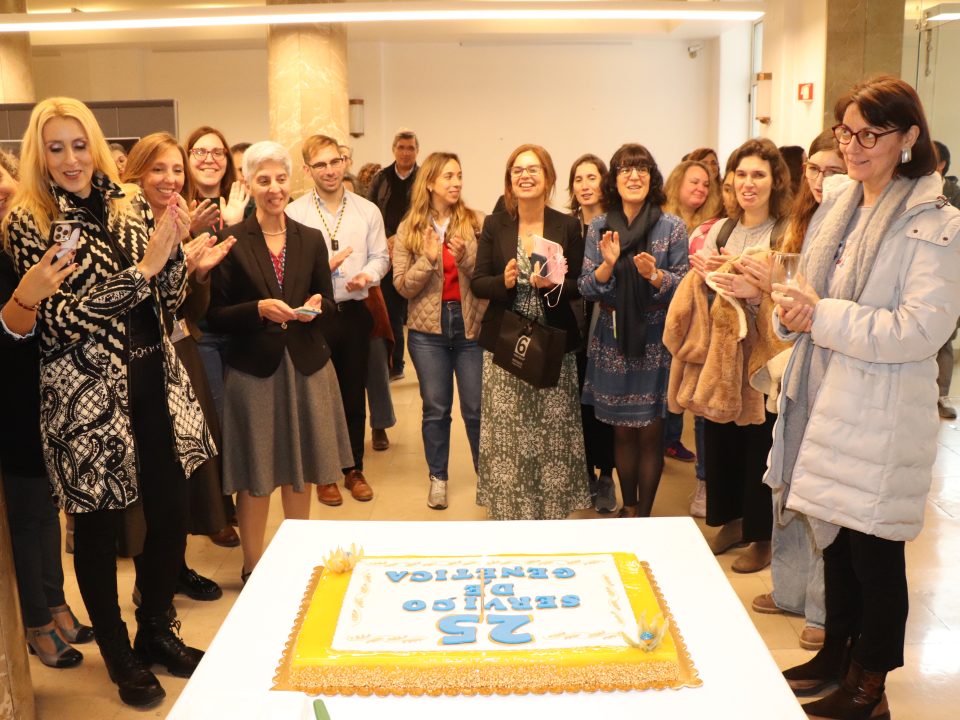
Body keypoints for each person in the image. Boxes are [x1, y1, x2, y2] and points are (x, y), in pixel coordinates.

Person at [4, 96, 213, 708]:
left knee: (170, 516)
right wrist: (143, 271)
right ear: (39, 154)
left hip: (155, 386)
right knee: (97, 530)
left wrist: (174, 257)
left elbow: (164, 302)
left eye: (78, 144)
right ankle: (119, 653)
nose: (70, 159)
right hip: (86, 400)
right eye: (56, 148)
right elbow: (58, 321)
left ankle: (155, 630)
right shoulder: (30, 220)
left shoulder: (129, 202)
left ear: (95, 144)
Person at [770, 76, 960, 719]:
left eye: (870, 135)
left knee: (874, 553)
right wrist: (785, 307)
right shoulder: (839, 206)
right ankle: (835, 655)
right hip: (825, 395)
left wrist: (820, 315)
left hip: (881, 409)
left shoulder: (935, 222)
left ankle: (869, 685)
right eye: (845, 132)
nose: (852, 147)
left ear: (909, 137)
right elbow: (811, 297)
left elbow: (919, 329)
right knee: (837, 544)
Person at [208, 141, 353, 582]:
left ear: (292, 182)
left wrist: (316, 307)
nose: (274, 188)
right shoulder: (231, 241)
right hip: (254, 370)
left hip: (306, 366)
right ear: (248, 184)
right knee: (256, 474)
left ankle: (296, 563)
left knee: (299, 471)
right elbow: (214, 315)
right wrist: (257, 310)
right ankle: (253, 566)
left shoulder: (309, 238)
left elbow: (329, 303)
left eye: (281, 179)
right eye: (264, 180)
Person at [741, 129, 846, 654]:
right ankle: (789, 591)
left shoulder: (853, 223)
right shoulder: (801, 222)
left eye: (833, 170)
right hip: (794, 366)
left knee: (823, 495)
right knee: (786, 482)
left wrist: (792, 302)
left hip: (837, 370)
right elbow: (785, 308)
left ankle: (823, 611)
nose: (822, 180)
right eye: (815, 170)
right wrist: (762, 292)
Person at [122, 132, 237, 603]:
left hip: (181, 354)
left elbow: (191, 310)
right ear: (136, 174)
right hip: (138, 366)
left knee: (183, 470)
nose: (170, 179)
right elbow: (133, 304)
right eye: (158, 169)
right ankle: (150, 582)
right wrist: (176, 265)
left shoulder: (179, 224)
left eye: (175, 171)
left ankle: (176, 567)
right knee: (150, 476)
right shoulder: (124, 227)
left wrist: (199, 272)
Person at [0, 148, 92, 670]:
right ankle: (36, 622)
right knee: (27, 512)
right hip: (11, 400)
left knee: (48, 509)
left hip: (48, 389)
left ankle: (57, 605)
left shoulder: (33, 237)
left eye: (3, 185)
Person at [687, 137, 793, 573]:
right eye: (742, 174)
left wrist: (756, 289)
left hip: (766, 354)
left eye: (759, 175)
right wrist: (710, 277)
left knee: (759, 442)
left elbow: (791, 294)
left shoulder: (786, 231)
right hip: (726, 353)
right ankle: (729, 520)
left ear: (775, 181)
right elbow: (712, 292)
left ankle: (761, 536)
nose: (749, 183)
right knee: (721, 437)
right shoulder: (722, 230)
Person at [471, 143, 590, 520]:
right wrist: (502, 282)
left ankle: (551, 510)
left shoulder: (566, 225)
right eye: (517, 170)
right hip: (506, 342)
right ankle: (509, 508)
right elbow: (478, 282)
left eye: (533, 169)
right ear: (509, 180)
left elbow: (580, 285)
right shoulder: (495, 224)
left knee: (551, 430)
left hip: (553, 342)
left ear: (548, 177)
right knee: (509, 431)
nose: (525, 176)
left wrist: (554, 283)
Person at [578, 144, 689, 518]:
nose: (634, 175)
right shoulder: (600, 226)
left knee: (651, 433)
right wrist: (607, 266)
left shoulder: (672, 227)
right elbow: (586, 287)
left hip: (656, 339)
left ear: (652, 177)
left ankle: (644, 517)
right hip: (612, 339)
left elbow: (684, 285)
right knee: (622, 431)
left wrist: (654, 275)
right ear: (614, 179)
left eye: (641, 168)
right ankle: (629, 507)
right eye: (625, 169)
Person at [286, 134, 390, 504]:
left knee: (352, 392)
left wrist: (368, 276)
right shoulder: (294, 213)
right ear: (307, 169)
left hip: (354, 312)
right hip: (314, 316)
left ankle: (353, 468)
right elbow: (287, 269)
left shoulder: (367, 211)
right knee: (316, 396)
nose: (329, 170)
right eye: (320, 164)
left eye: (335, 161)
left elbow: (381, 257)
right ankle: (324, 473)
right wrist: (321, 270)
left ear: (344, 162)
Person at [393, 152, 485, 510]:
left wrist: (466, 258)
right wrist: (428, 258)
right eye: (448, 176)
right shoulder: (409, 228)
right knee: (435, 408)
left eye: (459, 175)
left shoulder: (475, 222)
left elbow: (486, 277)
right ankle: (438, 478)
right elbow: (402, 286)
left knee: (476, 409)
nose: (456, 182)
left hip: (470, 328)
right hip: (426, 333)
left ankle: (487, 479)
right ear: (430, 182)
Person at [661, 159, 723, 465]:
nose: (701, 188)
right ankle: (665, 441)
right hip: (664, 313)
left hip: (700, 316)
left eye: (706, 184)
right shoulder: (661, 221)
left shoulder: (714, 226)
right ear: (678, 184)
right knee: (666, 383)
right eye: (694, 182)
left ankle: (680, 447)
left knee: (693, 383)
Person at [567, 154, 616, 514]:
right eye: (578, 179)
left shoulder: (614, 226)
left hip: (606, 328)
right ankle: (583, 472)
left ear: (604, 182)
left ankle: (607, 475)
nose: (585, 186)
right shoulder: (565, 227)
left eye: (591, 177)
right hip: (572, 329)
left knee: (605, 407)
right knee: (578, 406)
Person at [368, 128, 419, 381]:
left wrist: (401, 237)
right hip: (385, 251)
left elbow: (423, 212)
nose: (406, 152)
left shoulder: (423, 179)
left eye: (411, 148)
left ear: (417, 151)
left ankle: (410, 364)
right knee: (390, 310)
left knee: (410, 311)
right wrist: (386, 239)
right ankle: (394, 364)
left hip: (414, 250)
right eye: (401, 147)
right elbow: (371, 211)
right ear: (393, 150)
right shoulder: (381, 178)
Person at [933, 140, 959, 419]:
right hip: (920, 277)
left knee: (944, 341)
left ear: (941, 164)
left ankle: (941, 397)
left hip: (948, 278)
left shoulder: (955, 195)